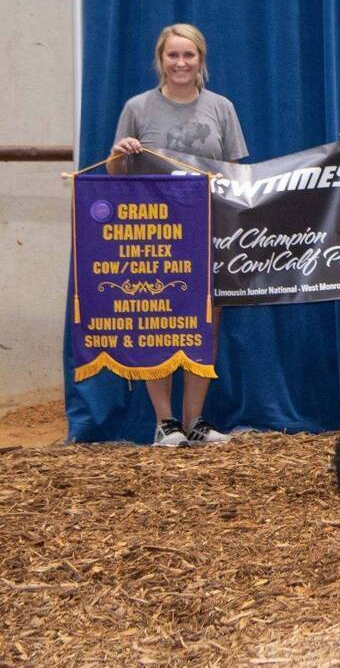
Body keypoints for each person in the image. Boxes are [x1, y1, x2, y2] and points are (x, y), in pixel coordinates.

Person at [108, 23, 247, 447]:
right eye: (173, 55)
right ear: (160, 60)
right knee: (159, 321)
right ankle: (165, 422)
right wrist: (119, 154)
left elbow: (237, 175)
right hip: (155, 235)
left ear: (201, 59)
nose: (181, 63)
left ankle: (195, 421)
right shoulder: (137, 108)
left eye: (189, 55)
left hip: (210, 232)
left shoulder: (221, 108)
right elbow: (115, 175)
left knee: (206, 323)